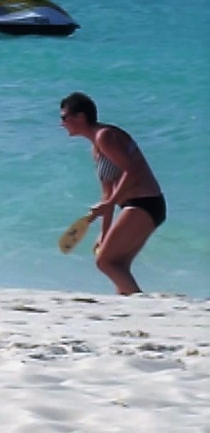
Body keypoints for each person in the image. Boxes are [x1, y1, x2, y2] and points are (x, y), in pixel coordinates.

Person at [59, 92, 166, 295]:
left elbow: (132, 171)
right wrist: (104, 232)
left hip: (145, 203)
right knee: (117, 264)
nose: (61, 123)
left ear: (80, 117)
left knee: (105, 262)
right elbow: (107, 194)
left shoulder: (106, 136)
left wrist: (111, 203)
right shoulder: (96, 148)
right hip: (135, 205)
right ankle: (130, 308)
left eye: (64, 118)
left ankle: (139, 304)